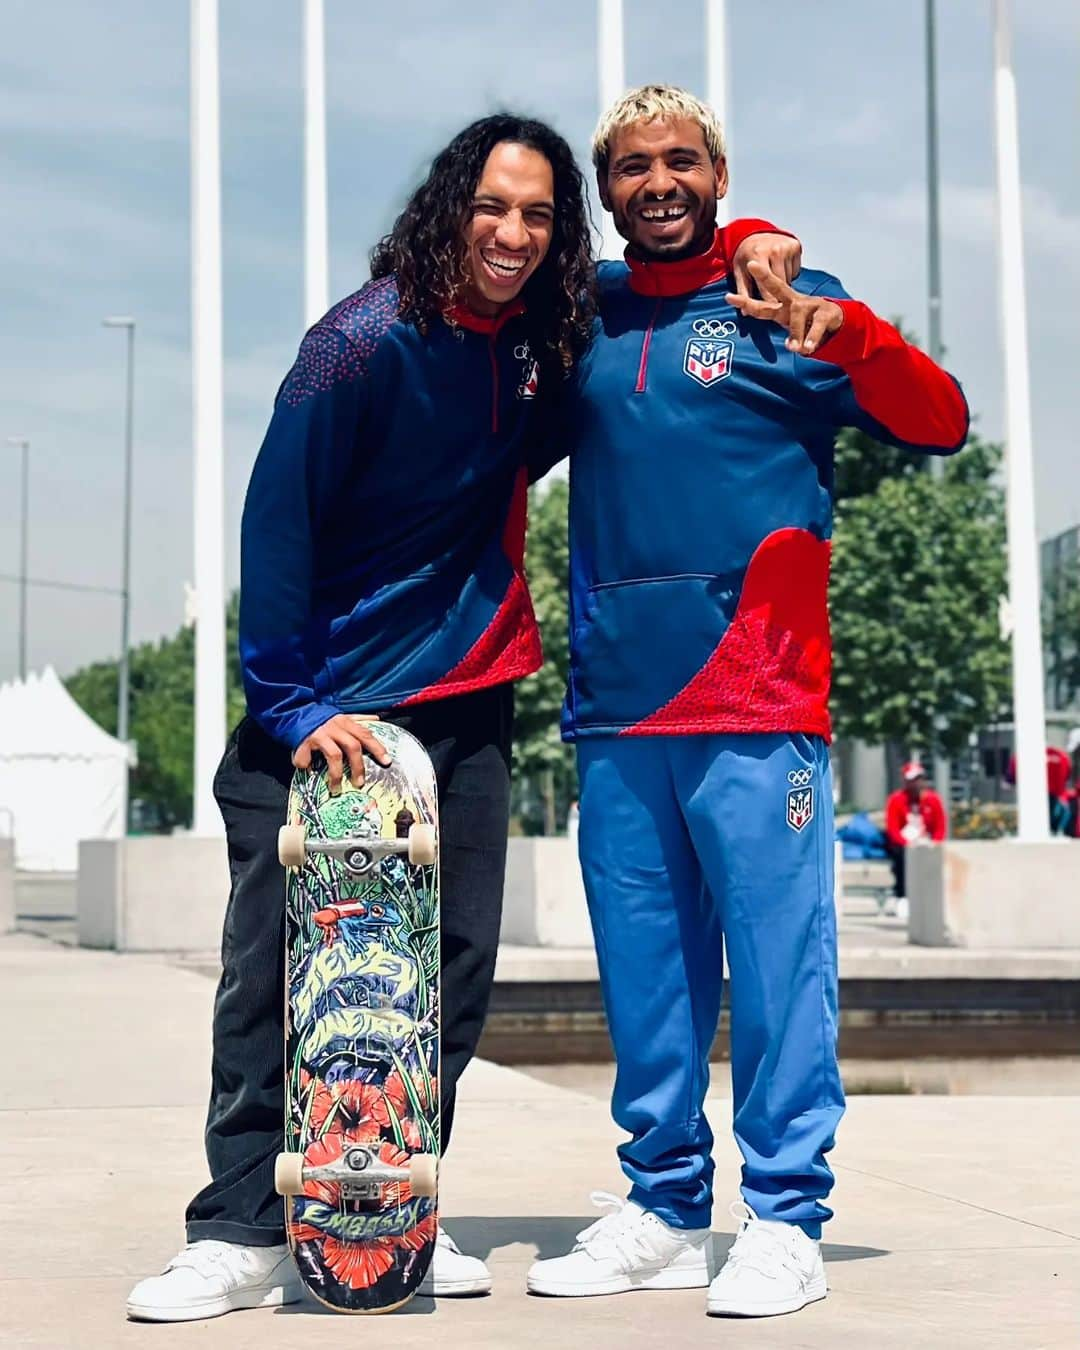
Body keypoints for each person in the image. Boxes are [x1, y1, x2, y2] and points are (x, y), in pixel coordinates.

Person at [125, 110, 790, 1323]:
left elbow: (666, 252)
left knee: (449, 976)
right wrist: (288, 701)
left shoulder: (543, 340)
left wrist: (752, 237)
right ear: (452, 205)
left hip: (467, 697)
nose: (514, 232)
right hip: (327, 706)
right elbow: (277, 523)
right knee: (278, 976)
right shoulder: (357, 343)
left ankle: (393, 1206)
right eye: (494, 206)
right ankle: (237, 1228)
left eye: (539, 215)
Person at [525, 85, 969, 1319]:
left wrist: (847, 328)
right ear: (605, 193)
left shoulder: (785, 307)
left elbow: (943, 424)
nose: (656, 182)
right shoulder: (588, 320)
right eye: (630, 168)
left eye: (680, 161)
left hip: (758, 699)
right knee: (646, 982)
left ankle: (783, 1219)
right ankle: (663, 1208)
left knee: (780, 974)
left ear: (718, 175)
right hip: (618, 707)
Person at [884, 761, 947, 917]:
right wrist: (908, 844)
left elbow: (940, 827)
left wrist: (934, 843)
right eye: (913, 779)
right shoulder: (896, 800)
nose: (917, 783)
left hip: (926, 842)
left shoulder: (933, 800)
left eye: (919, 778)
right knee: (902, 860)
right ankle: (903, 896)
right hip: (904, 846)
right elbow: (893, 830)